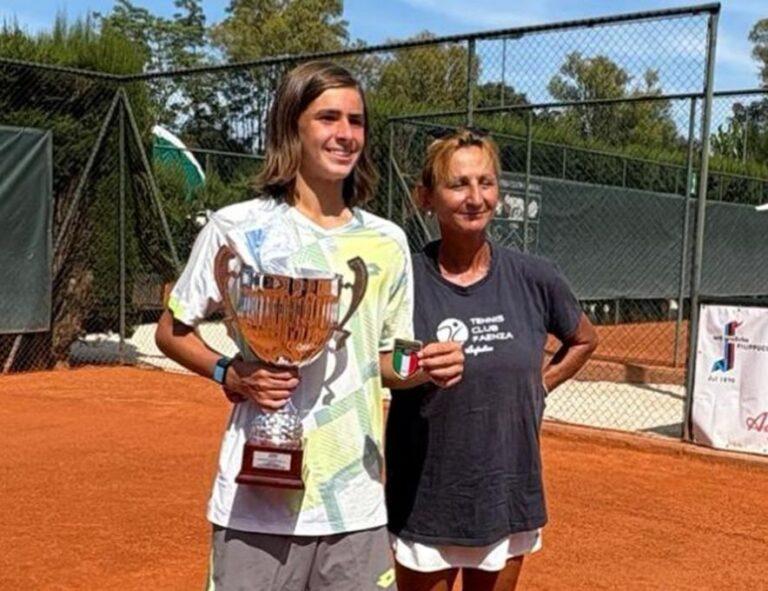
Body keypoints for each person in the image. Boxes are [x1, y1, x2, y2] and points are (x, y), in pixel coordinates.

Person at [154, 61, 463, 591]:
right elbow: (171, 331)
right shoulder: (236, 227)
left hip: (354, 504)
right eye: (328, 118)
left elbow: (388, 361)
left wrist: (428, 365)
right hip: (255, 505)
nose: (345, 134)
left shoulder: (386, 242)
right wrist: (232, 373)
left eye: (356, 121)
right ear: (291, 126)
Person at [384, 129, 599, 591]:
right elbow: (389, 366)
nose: (475, 197)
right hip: (427, 497)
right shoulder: (406, 280)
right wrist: (420, 367)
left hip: (506, 493)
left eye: (486, 182)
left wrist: (541, 384)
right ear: (426, 198)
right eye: (458, 184)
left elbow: (583, 339)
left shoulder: (534, 276)